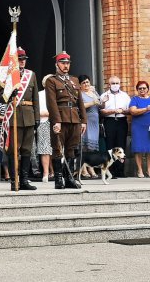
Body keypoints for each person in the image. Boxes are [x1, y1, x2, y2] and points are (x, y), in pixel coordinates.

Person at [45, 51, 87, 189]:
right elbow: (51, 103)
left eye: (67, 63)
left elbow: (80, 102)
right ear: (57, 65)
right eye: (63, 63)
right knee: (57, 148)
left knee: (71, 150)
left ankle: (69, 178)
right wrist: (56, 120)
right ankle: (58, 179)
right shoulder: (52, 81)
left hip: (74, 118)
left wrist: (84, 121)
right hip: (60, 118)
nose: (65, 66)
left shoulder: (74, 80)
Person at [0, 47, 40, 191]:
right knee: (12, 151)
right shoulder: (8, 75)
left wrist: (37, 117)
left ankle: (24, 180)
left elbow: (35, 97)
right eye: (20, 59)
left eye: (24, 60)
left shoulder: (31, 75)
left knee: (27, 150)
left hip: (29, 116)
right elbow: (0, 97)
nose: (22, 62)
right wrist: (10, 93)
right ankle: (14, 180)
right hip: (13, 116)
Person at [129, 81, 150, 178]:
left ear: (147, 89)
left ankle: (149, 170)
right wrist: (146, 109)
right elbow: (133, 111)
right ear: (137, 90)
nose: (142, 90)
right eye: (140, 88)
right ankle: (140, 170)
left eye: (144, 88)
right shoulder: (134, 99)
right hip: (138, 127)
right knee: (138, 149)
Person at [100, 76, 131, 178]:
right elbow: (101, 111)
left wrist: (123, 110)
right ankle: (110, 172)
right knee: (110, 146)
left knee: (121, 145)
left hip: (121, 121)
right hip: (109, 122)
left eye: (117, 83)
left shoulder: (125, 96)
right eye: (113, 83)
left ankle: (120, 171)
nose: (115, 85)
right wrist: (113, 111)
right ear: (109, 84)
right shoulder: (104, 95)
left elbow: (129, 110)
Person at [78, 75, 102, 178]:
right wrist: (92, 102)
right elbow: (80, 106)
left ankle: (91, 167)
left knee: (92, 147)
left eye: (87, 82)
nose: (86, 84)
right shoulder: (80, 94)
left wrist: (102, 102)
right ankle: (83, 169)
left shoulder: (94, 93)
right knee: (84, 146)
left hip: (95, 121)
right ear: (80, 85)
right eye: (83, 83)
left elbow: (99, 104)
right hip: (85, 120)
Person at [37, 75, 54, 183]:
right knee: (45, 148)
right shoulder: (39, 94)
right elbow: (35, 110)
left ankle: (57, 172)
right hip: (43, 122)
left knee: (58, 148)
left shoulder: (57, 94)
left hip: (57, 122)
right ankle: (46, 173)